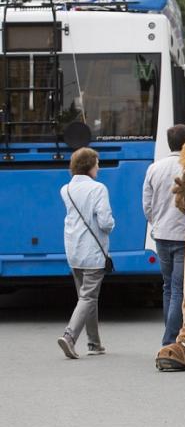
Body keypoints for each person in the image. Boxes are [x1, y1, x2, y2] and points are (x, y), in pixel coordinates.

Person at [57, 147, 115, 359]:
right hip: (93, 251)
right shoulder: (98, 189)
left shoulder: (66, 189)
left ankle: (94, 343)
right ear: (89, 165)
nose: (98, 167)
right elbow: (105, 222)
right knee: (88, 297)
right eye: (97, 163)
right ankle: (70, 336)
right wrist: (112, 225)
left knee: (87, 297)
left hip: (73, 250)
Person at [143, 125, 185, 346]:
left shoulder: (154, 168)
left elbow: (147, 205)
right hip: (183, 235)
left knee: (167, 285)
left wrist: (157, 222)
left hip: (161, 234)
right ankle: (171, 339)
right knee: (179, 288)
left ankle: (170, 334)